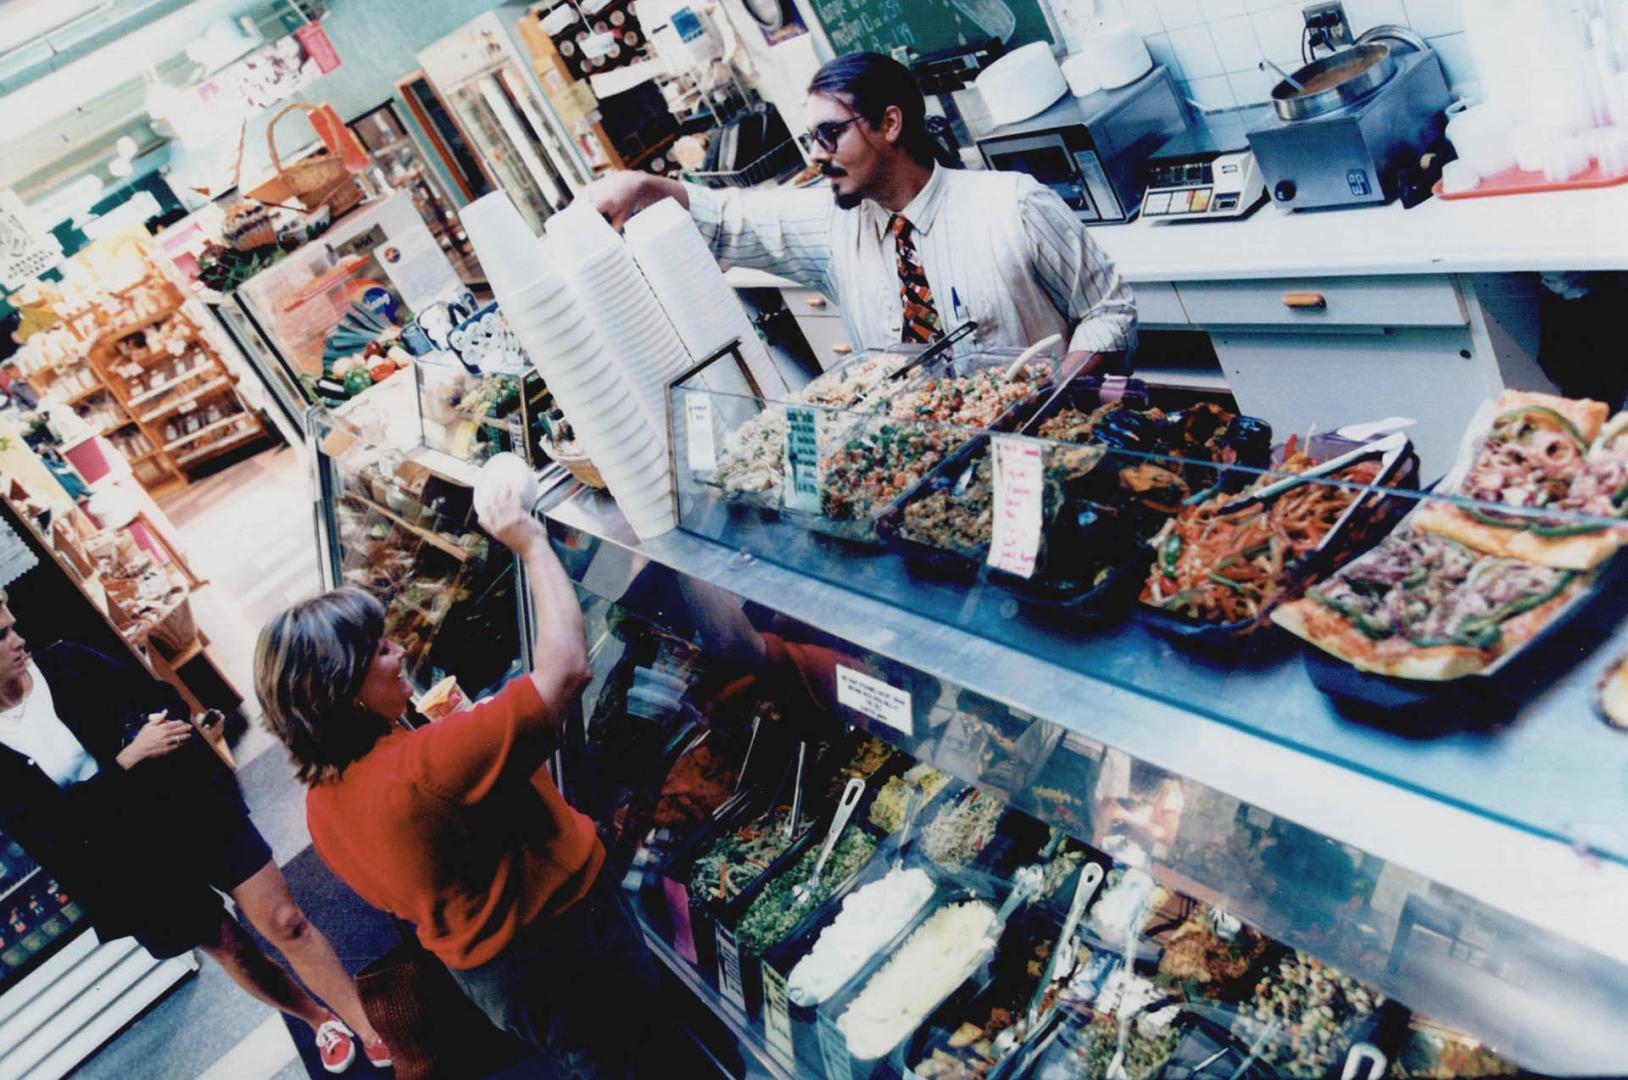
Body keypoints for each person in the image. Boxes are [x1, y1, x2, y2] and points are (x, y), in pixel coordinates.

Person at [256, 480, 657, 1077]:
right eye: (382, 651)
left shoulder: (322, 799)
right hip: (566, 947)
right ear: (346, 695)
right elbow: (567, 670)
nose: (399, 654)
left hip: (494, 976)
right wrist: (531, 544)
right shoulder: (425, 768)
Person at [0, 592, 388, 1074]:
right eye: (2, 635)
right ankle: (316, 1018)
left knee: (285, 920)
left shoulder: (66, 662)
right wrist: (128, 759)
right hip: (129, 868)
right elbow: (54, 831)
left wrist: (147, 733)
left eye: (12, 625)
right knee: (230, 949)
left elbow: (161, 700)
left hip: (189, 810)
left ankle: (368, 1025)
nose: (19, 639)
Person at [581, 51, 1136, 374]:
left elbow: (1110, 312)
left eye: (829, 134)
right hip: (931, 469)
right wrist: (640, 185)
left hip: (1052, 450)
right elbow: (725, 218)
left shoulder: (1012, 205)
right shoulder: (832, 226)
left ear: (890, 125)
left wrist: (1057, 392)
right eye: (810, 137)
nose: (816, 155)